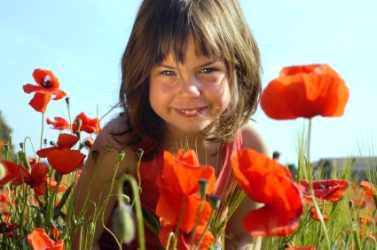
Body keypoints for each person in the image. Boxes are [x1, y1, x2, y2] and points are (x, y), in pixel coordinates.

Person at [71, 0, 270, 249]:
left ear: (237, 69)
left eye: (208, 69)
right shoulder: (120, 143)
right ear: (142, 76)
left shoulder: (249, 150)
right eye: (167, 72)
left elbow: (242, 240)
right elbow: (79, 239)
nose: (189, 91)